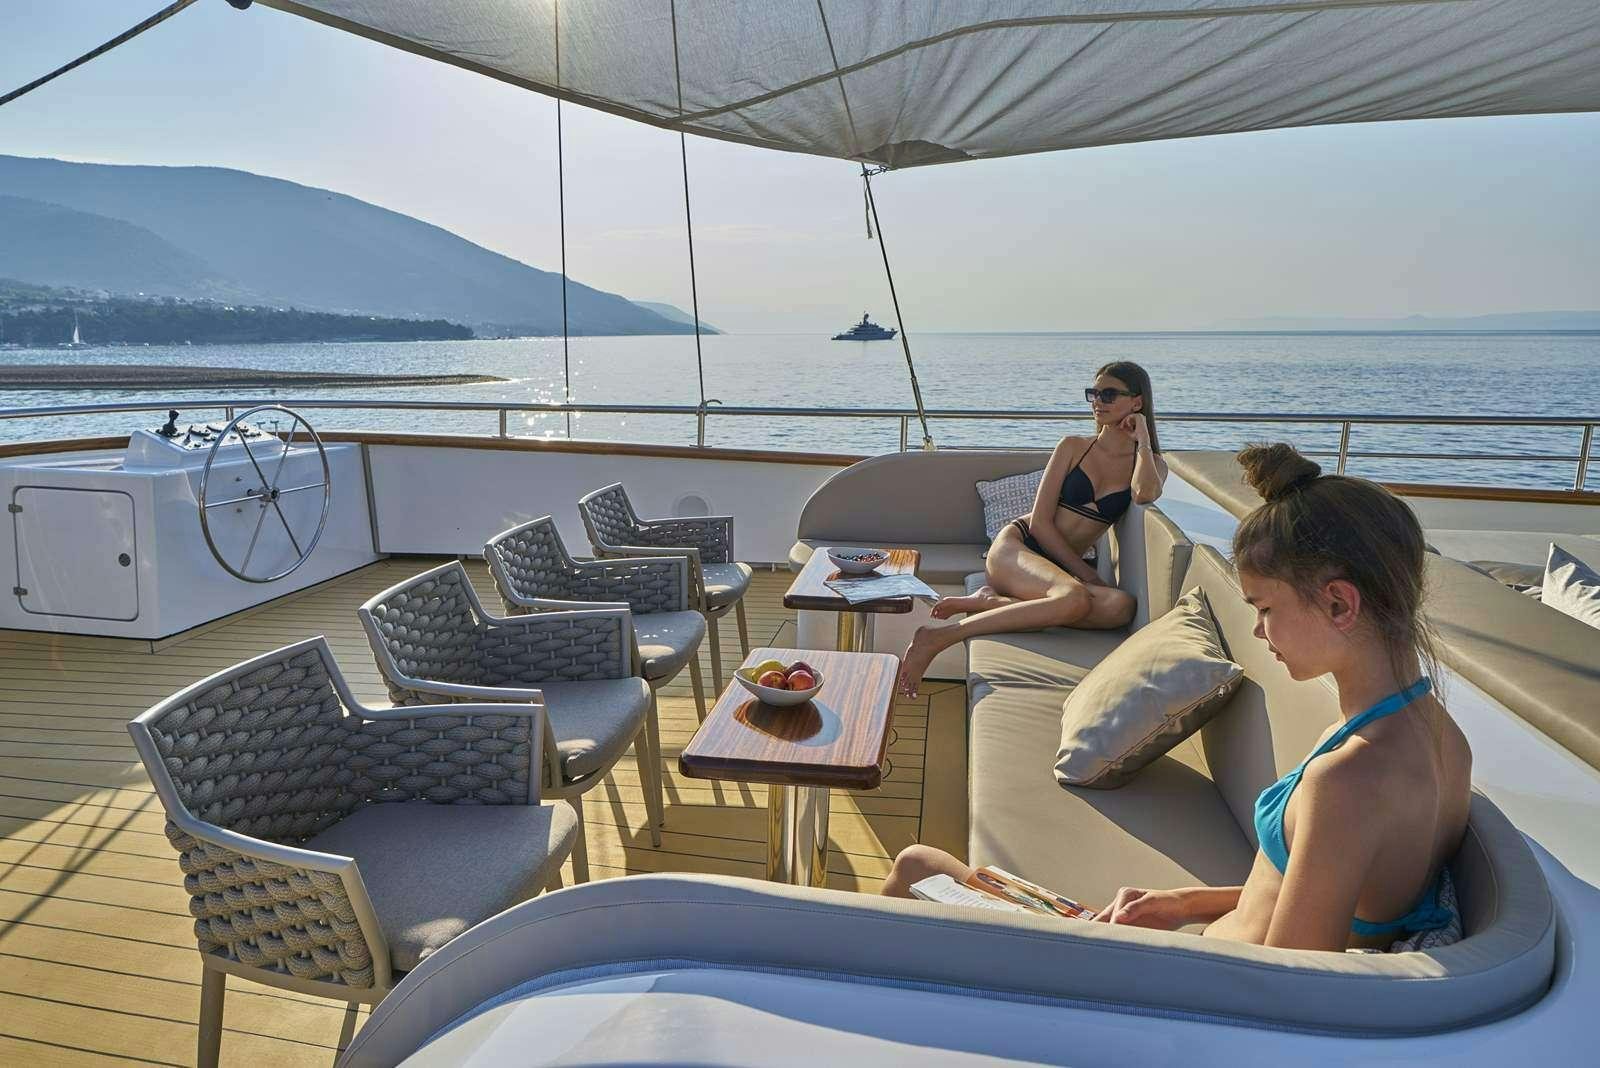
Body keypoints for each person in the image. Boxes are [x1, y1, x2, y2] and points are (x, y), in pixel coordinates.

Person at [883, 443, 1472, 952]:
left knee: (917, 868)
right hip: (1183, 955)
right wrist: (1182, 904)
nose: (1260, 633)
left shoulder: (1348, 780)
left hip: (1169, 991)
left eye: (1265, 609)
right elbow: (1329, 893)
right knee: (933, 876)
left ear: (1340, 604)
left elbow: (1289, 987)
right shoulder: (1438, 738)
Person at [894, 361, 1167, 698]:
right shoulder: (1073, 446)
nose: (1098, 401)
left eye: (1108, 394)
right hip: (1017, 549)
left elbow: (1145, 492)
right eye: (1093, 394)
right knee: (1075, 596)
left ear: (1136, 402)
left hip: (1056, 573)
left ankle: (989, 603)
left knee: (1121, 607)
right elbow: (1040, 523)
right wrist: (1087, 574)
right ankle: (938, 637)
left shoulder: (1151, 463)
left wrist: (1142, 438)